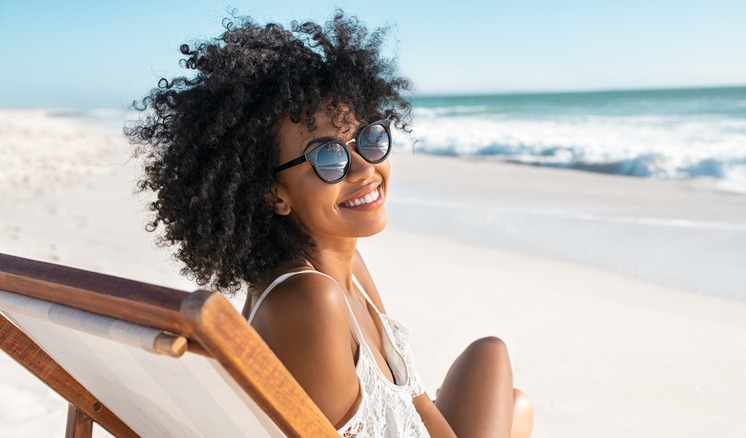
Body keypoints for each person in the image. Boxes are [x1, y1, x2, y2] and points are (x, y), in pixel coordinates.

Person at [126, 11, 533, 437]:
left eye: (368, 140)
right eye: (328, 157)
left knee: (496, 367)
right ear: (274, 193)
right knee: (510, 401)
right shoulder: (309, 298)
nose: (362, 169)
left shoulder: (347, 266)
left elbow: (413, 401)